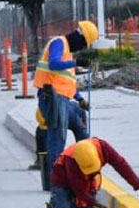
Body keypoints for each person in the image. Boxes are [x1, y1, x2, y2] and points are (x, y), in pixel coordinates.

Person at [34, 21, 98, 170]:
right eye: (83, 45)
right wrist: (76, 62)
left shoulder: (67, 51)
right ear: (79, 37)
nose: (81, 48)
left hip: (63, 99)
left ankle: (83, 160)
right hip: (51, 99)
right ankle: (56, 178)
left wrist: (80, 99)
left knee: (79, 116)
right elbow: (53, 64)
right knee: (58, 138)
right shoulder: (59, 43)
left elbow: (66, 82)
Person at [47, 137, 139, 208]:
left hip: (86, 180)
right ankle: (56, 201)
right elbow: (78, 189)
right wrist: (96, 203)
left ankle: (74, 203)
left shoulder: (104, 148)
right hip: (63, 182)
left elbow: (122, 166)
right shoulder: (71, 160)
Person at [31, 102, 89, 171]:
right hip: (57, 117)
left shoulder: (72, 117)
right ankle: (40, 161)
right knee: (40, 133)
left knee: (82, 140)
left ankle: (82, 161)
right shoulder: (42, 113)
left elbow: (82, 133)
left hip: (74, 115)